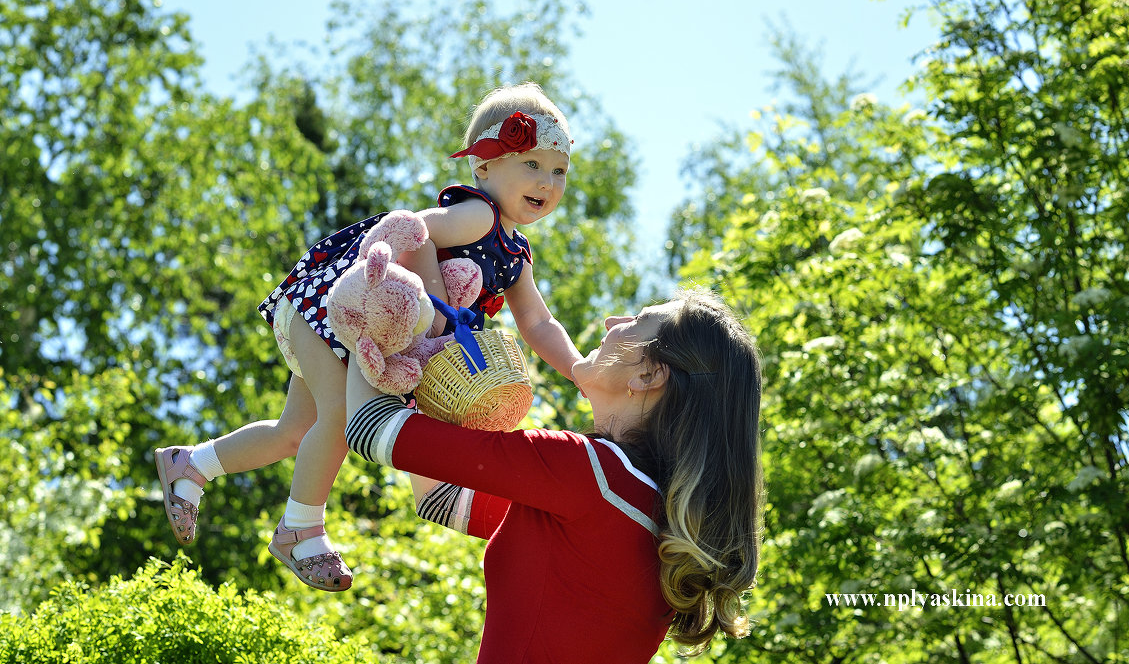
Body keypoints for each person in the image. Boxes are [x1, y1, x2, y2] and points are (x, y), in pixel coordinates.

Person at [154, 83, 583, 592]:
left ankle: (191, 464)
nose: (548, 183)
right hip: (338, 309)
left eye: (558, 171)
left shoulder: (515, 253)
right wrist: (425, 305)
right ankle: (300, 530)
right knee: (341, 417)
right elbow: (410, 231)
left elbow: (537, 323)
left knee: (295, 432)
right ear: (484, 166)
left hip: (350, 331)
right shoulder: (479, 215)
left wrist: (578, 367)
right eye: (531, 164)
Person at [345, 288, 764, 663]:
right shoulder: (662, 523)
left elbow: (369, 428)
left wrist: (362, 315)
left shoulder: (588, 472)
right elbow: (443, 501)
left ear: (649, 375)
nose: (611, 322)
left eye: (636, 321)